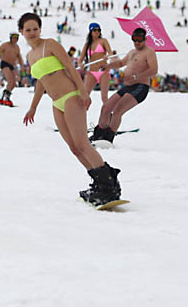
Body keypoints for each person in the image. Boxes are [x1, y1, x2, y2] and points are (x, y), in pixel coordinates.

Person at [20, 13, 122, 206]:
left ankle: (110, 185)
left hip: (71, 97)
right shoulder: (30, 55)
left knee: (82, 143)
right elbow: (41, 81)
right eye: (28, 30)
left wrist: (83, 91)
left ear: (40, 29)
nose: (32, 33)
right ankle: (99, 183)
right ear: (21, 32)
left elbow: (69, 66)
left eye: (35, 29)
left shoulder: (49, 44)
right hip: (56, 103)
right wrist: (33, 107)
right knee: (74, 148)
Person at [90, 28, 158, 148]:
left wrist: (137, 76)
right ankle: (98, 134)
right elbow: (121, 63)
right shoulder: (132, 52)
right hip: (128, 86)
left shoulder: (149, 52)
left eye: (139, 40)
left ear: (145, 39)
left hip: (140, 87)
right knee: (106, 107)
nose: (136, 42)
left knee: (117, 110)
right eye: (134, 39)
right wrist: (108, 66)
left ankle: (108, 138)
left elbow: (154, 70)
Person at [78, 22, 113, 105]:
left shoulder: (103, 41)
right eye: (94, 30)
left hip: (103, 71)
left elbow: (110, 53)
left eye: (98, 30)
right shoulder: (87, 45)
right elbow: (80, 60)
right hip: (92, 72)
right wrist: (80, 64)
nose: (97, 32)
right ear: (90, 32)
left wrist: (107, 56)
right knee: (85, 95)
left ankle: (109, 115)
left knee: (104, 97)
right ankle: (81, 114)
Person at [0, 32, 25, 106]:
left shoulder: (17, 47)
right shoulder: (5, 45)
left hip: (12, 65)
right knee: (10, 80)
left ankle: (4, 94)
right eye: (13, 38)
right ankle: (7, 97)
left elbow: (19, 58)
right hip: (4, 63)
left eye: (16, 38)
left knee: (13, 83)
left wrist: (22, 66)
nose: (15, 40)